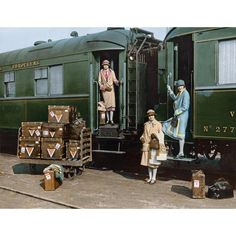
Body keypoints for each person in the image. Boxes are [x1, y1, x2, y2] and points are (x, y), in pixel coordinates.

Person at [162, 79, 190, 158]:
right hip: (179, 116)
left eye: (181, 86)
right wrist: (170, 90)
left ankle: (181, 152)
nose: (179, 87)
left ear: (183, 86)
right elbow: (175, 98)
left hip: (183, 116)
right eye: (178, 86)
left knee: (181, 134)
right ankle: (180, 152)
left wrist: (177, 111)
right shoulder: (180, 93)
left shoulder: (186, 94)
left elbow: (185, 106)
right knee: (168, 127)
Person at [140, 109, 167, 184]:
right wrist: (142, 138)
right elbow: (144, 134)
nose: (150, 117)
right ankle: (150, 177)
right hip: (147, 145)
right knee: (148, 163)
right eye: (149, 116)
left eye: (152, 115)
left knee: (154, 163)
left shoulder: (158, 124)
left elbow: (161, 134)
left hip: (154, 146)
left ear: (154, 115)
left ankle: (154, 178)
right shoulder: (146, 124)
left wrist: (155, 137)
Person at [98, 59, 119, 125]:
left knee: (112, 106)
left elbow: (114, 79)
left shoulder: (111, 72)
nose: (105, 66)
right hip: (105, 90)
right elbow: (99, 80)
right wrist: (101, 86)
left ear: (108, 65)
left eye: (106, 65)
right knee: (106, 106)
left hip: (111, 90)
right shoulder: (101, 72)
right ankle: (107, 120)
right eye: (104, 65)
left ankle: (111, 120)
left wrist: (117, 82)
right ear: (103, 65)